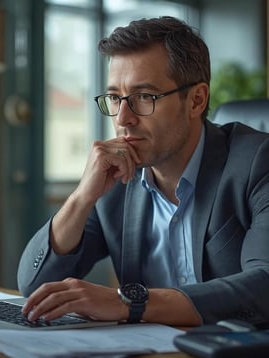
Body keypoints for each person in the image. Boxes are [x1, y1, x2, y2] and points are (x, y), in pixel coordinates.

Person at [17, 16, 269, 327]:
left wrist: (127, 303)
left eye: (144, 97)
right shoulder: (116, 180)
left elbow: (264, 286)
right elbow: (33, 285)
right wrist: (83, 196)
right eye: (115, 98)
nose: (123, 118)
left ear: (196, 100)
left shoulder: (258, 162)